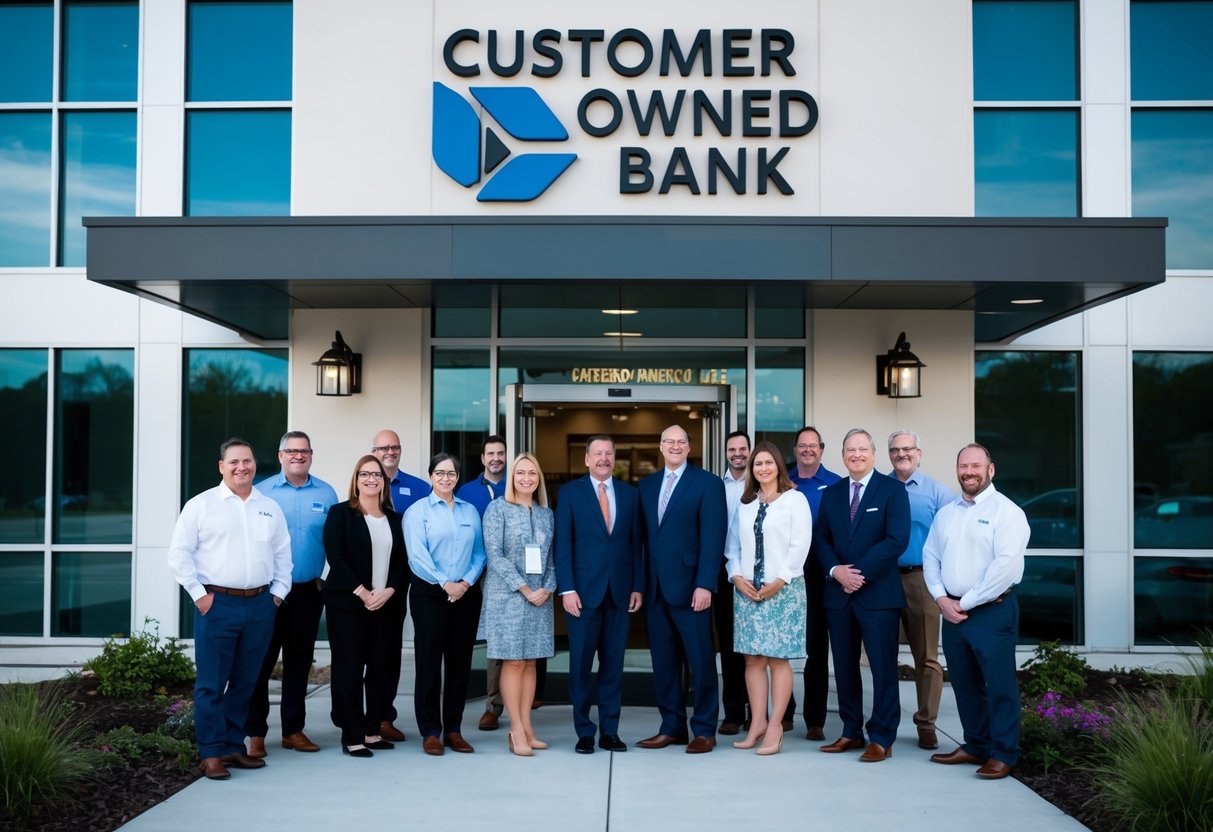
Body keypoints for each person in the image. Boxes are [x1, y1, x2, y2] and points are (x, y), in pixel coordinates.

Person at [167, 438, 291, 781]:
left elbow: (283, 558)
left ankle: (234, 745)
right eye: (234, 461)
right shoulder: (201, 505)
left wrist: (276, 595)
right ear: (221, 466)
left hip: (261, 605)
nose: (242, 467)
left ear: (255, 464)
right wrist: (200, 595)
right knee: (211, 683)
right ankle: (211, 753)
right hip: (217, 605)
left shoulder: (269, 507)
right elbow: (179, 555)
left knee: (246, 681)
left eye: (247, 461)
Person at [924, 443, 1029, 780]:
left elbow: (1004, 569)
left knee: (999, 685)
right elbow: (930, 557)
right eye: (963, 467)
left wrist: (963, 604)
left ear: (990, 469)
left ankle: (1003, 753)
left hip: (991, 611)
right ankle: (976, 745)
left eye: (975, 466)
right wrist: (941, 599)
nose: (968, 472)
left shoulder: (1007, 512)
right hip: (952, 612)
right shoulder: (947, 513)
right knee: (966, 685)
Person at [814, 428, 910, 763]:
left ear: (873, 453)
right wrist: (835, 571)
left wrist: (858, 573)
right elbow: (821, 539)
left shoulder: (892, 491)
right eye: (850, 450)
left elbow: (896, 540)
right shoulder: (833, 492)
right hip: (838, 595)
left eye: (862, 449)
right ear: (842, 456)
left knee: (882, 668)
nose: (856, 455)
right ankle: (851, 731)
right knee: (843, 667)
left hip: (878, 596)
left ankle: (882, 737)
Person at [246, 431, 338, 758]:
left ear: (311, 455)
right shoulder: (261, 493)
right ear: (281, 455)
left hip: (307, 592)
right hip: (269, 593)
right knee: (260, 661)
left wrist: (325, 578)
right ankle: (256, 732)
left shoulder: (326, 493)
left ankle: (293, 730)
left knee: (299, 663)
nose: (298, 456)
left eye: (304, 451)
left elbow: (335, 542)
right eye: (292, 451)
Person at [636, 425, 727, 754]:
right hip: (656, 590)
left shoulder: (707, 484)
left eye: (680, 442)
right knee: (664, 663)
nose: (674, 446)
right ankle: (671, 726)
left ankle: (704, 729)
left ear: (689, 447)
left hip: (692, 590)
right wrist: (639, 585)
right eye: (668, 442)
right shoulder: (646, 486)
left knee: (700, 662)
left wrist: (705, 584)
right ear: (661, 447)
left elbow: (713, 538)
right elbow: (642, 540)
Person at [555, 435, 644, 754]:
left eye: (609, 453)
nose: (604, 458)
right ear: (587, 459)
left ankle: (610, 730)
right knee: (580, 665)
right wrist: (567, 589)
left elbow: (637, 545)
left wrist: (637, 585)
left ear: (614, 458)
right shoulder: (570, 493)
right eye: (598, 453)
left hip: (619, 593)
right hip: (582, 594)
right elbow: (562, 545)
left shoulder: (631, 494)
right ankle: (584, 731)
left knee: (612, 665)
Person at [725, 441, 811, 756]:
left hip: (784, 590)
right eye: (757, 464)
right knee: (753, 659)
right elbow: (732, 546)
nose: (763, 468)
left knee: (777, 659)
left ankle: (775, 726)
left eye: (768, 463)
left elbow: (800, 545)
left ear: (778, 466)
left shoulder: (794, 500)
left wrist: (780, 580)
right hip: (747, 590)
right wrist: (736, 576)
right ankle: (757, 723)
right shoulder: (745, 504)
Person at [322, 455, 407, 757]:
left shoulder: (396, 520)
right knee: (349, 669)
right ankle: (352, 735)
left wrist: (389, 590)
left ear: (385, 482)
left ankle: (372, 731)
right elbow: (336, 557)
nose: (372, 479)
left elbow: (401, 563)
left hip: (386, 605)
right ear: (356, 480)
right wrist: (363, 592)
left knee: (381, 669)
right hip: (348, 605)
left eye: (378, 475)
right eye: (365, 474)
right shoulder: (340, 514)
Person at [404, 453, 487, 755]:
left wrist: (465, 583)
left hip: (465, 596)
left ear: (458, 477)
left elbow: (480, 553)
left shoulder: (469, 512)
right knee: (428, 665)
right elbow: (417, 556)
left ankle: (453, 729)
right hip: (430, 594)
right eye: (440, 473)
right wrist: (445, 583)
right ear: (430, 476)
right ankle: (430, 731)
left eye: (452, 474)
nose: (446, 478)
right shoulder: (418, 512)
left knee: (459, 665)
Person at [481, 452, 556, 757]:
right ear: (512, 478)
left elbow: (552, 558)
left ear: (539, 479)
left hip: (540, 599)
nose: (526, 478)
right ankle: (515, 729)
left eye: (532, 473)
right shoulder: (497, 509)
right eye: (521, 473)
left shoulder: (545, 513)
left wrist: (548, 588)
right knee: (513, 661)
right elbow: (494, 555)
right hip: (508, 597)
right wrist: (525, 588)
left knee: (531, 661)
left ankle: (527, 728)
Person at [887, 429, 954, 750]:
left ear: (919, 453)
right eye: (896, 450)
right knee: (880, 655)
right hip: (883, 579)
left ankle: (926, 723)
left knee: (926, 657)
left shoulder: (937, 493)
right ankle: (883, 721)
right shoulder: (879, 488)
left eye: (908, 449)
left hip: (921, 579)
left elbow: (954, 538)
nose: (902, 454)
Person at [370, 429, 430, 742]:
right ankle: (362, 717)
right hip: (368, 580)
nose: (389, 452)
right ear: (373, 450)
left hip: (405, 578)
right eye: (383, 447)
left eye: (394, 446)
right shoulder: (366, 483)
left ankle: (384, 716)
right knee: (366, 650)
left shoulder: (420, 488)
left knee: (391, 651)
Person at [787, 425, 841, 740]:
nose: (808, 450)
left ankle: (815, 720)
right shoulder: (782, 483)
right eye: (802, 445)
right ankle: (784, 712)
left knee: (816, 649)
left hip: (822, 578)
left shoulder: (835, 484)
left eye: (813, 445)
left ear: (821, 448)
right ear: (795, 449)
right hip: (787, 577)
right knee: (779, 649)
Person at [456, 435, 513, 733]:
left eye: (501, 453)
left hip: (509, 578)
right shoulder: (466, 491)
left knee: (502, 641)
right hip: (473, 577)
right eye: (491, 453)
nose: (496, 458)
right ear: (482, 458)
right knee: (473, 639)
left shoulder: (516, 484)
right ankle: (460, 697)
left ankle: (495, 706)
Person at [716, 430, 751, 735]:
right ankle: (733, 713)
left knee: (762, 647)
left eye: (742, 448)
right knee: (729, 645)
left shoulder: (764, 482)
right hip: (724, 573)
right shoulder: (716, 486)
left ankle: (764, 712)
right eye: (732, 449)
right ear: (725, 452)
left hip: (759, 575)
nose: (737, 453)